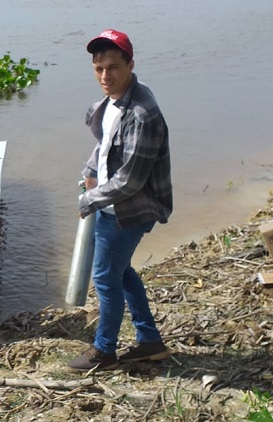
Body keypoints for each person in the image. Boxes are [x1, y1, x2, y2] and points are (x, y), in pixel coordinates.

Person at [67, 29, 173, 371]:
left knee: (104, 278)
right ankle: (150, 341)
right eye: (98, 68)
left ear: (130, 65)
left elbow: (130, 180)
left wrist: (89, 200)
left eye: (113, 67)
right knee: (121, 271)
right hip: (111, 203)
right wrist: (90, 170)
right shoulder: (117, 100)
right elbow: (105, 144)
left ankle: (104, 351)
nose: (105, 76)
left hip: (129, 209)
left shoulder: (142, 114)